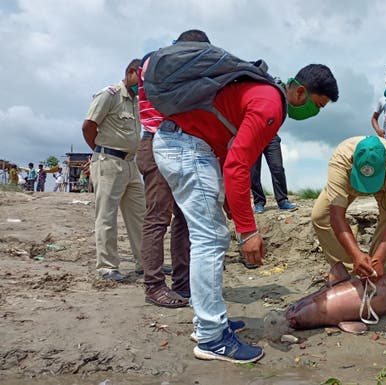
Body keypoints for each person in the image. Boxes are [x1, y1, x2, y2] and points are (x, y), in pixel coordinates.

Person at [150, 36, 339, 364]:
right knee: (211, 240)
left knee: (207, 236)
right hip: (186, 148)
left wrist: (229, 204)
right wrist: (248, 231)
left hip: (187, 146)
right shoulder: (270, 104)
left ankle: (208, 322)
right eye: (317, 104)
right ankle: (212, 338)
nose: (314, 112)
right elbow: (239, 165)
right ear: (298, 90)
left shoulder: (262, 94)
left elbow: (228, 151)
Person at [136, 34, 200, 308]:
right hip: (156, 142)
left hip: (183, 145)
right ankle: (153, 286)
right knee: (158, 217)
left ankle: (183, 285)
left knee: (184, 218)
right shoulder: (156, 61)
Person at [82, 58, 145, 282]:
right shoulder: (109, 95)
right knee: (107, 215)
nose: (143, 85)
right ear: (130, 73)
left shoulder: (138, 101)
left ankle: (144, 263)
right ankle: (107, 267)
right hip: (109, 161)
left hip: (131, 164)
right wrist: (101, 152)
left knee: (140, 216)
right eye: (141, 79)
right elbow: (88, 126)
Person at [311, 136, 386, 277]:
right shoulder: (340, 159)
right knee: (320, 216)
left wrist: (379, 259)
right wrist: (356, 255)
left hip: (385, 183)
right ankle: (348, 269)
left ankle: (376, 272)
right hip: (349, 181)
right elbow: (336, 216)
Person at [251, 134, 297, 214]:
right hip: (251, 138)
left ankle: (282, 201)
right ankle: (258, 202)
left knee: (278, 168)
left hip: (271, 136)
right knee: (253, 173)